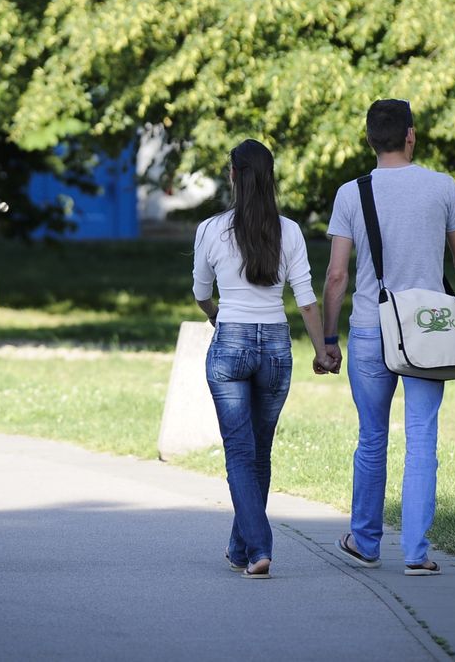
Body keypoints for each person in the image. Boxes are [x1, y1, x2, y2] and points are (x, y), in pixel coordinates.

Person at [318, 99, 455, 576]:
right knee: (421, 438)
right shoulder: (442, 187)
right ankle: (417, 553)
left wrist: (329, 338)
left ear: (370, 139)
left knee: (372, 437)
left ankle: (366, 541)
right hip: (427, 329)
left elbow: (337, 276)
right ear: (411, 136)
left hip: (371, 329)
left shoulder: (351, 193)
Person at [193, 139, 336, 579]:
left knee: (240, 451)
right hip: (276, 346)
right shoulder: (289, 231)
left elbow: (201, 294)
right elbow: (306, 301)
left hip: (230, 343)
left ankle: (256, 549)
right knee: (259, 451)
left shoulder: (211, 229)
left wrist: (218, 319)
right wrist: (323, 348)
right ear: (270, 177)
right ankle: (243, 549)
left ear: (233, 175)